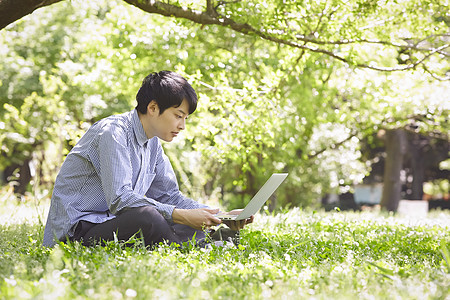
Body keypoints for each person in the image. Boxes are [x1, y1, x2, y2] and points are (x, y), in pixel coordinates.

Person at [43, 71, 253, 248]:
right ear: (153, 108)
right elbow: (120, 199)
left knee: (172, 217)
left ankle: (208, 240)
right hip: (77, 232)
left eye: (185, 118)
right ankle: (190, 247)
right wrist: (182, 216)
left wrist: (218, 215)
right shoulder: (112, 133)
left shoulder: (152, 144)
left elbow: (171, 197)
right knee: (149, 217)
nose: (182, 126)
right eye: (178, 115)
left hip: (112, 223)